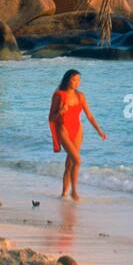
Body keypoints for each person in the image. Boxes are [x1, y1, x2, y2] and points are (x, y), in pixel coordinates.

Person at [48, 69, 106, 200]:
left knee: (70, 163)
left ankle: (64, 193)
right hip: (63, 129)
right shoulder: (59, 95)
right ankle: (74, 192)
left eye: (79, 80)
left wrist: (99, 130)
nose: (77, 83)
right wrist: (61, 111)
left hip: (77, 129)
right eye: (74, 80)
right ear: (67, 79)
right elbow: (51, 117)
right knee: (77, 160)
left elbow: (89, 115)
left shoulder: (81, 96)